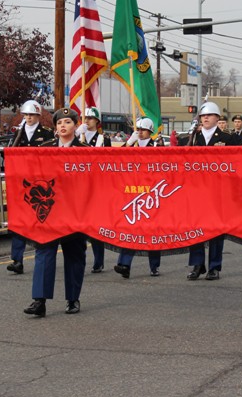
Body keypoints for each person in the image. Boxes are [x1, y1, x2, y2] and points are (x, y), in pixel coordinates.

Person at [24, 107, 88, 317]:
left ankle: (72, 299)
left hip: (75, 212)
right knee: (44, 253)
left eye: (68, 122)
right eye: (60, 123)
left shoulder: (85, 150)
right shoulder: (45, 148)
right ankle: (39, 300)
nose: (63, 126)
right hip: (50, 211)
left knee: (74, 256)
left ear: (76, 126)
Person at [186, 101, 239, 280]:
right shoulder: (193, 138)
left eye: (209, 115)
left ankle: (214, 266)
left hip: (218, 189)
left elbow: (235, 164)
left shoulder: (227, 138)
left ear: (217, 118)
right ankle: (197, 264)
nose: (206, 118)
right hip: (197, 188)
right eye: (203, 116)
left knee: (216, 229)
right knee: (195, 228)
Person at [7, 100, 55, 275]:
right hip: (22, 182)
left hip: (41, 184)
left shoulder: (47, 134)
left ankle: (40, 257)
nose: (28, 118)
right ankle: (17, 260)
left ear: (38, 116)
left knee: (40, 221)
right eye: (26, 115)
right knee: (19, 222)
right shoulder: (18, 134)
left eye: (32, 115)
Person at [114, 117, 163, 278]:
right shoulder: (131, 144)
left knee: (152, 230)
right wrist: (129, 144)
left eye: (142, 130)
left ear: (150, 131)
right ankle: (124, 264)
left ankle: (154, 265)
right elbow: (116, 160)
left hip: (151, 191)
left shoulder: (156, 145)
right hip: (133, 191)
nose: (139, 132)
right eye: (138, 129)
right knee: (130, 229)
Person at [78, 107, 111, 273]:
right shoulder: (78, 137)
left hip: (97, 186)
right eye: (85, 118)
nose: (87, 121)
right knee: (80, 228)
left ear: (97, 122)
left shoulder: (103, 139)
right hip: (79, 187)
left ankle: (99, 261)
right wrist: (77, 135)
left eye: (91, 118)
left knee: (97, 227)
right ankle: (80, 259)